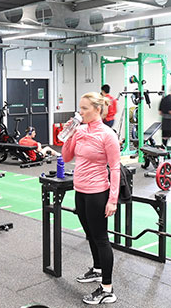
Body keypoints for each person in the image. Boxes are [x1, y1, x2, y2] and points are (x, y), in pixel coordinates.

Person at [61, 92, 121, 305]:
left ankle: (107, 289)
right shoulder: (80, 130)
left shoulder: (107, 135)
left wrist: (112, 199)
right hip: (81, 191)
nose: (80, 112)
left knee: (101, 238)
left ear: (97, 109)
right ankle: (97, 269)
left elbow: (115, 168)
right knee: (90, 235)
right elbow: (66, 157)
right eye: (80, 108)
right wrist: (69, 135)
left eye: (84, 108)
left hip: (98, 193)